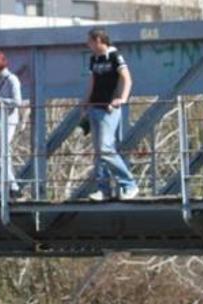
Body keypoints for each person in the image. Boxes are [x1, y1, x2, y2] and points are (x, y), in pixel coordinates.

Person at [83, 27, 140, 201]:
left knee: (105, 148)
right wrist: (85, 103)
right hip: (95, 107)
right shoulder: (94, 58)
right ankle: (103, 189)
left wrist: (122, 99)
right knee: (100, 151)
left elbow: (127, 79)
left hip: (109, 109)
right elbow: (92, 82)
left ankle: (129, 184)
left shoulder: (115, 56)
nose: (88, 44)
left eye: (91, 41)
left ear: (99, 40)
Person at [0, 51, 23, 201]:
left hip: (9, 121)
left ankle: (13, 188)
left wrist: (1, 101)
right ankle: (4, 190)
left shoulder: (12, 79)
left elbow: (17, 101)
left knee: (0, 155)